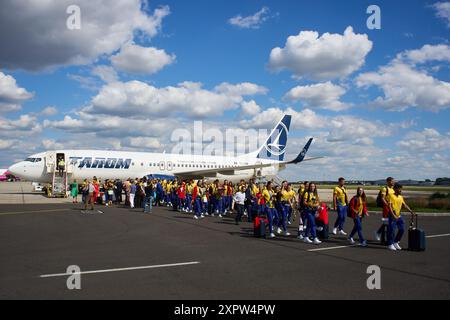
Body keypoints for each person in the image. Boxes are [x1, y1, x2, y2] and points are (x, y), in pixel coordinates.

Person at [387, 184, 415, 251]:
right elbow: (389, 206)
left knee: (402, 229)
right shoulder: (391, 196)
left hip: (399, 216)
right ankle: (390, 244)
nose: (401, 190)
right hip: (392, 215)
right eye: (399, 189)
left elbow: (404, 205)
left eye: (401, 189)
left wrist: (411, 211)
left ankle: (396, 242)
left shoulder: (400, 197)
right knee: (392, 231)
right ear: (395, 189)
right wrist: (393, 215)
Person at [375, 177, 396, 242]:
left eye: (393, 181)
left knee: (392, 222)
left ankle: (389, 237)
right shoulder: (385, 189)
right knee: (386, 222)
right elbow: (382, 198)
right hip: (386, 207)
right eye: (392, 181)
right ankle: (378, 232)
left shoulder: (393, 189)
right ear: (388, 182)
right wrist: (387, 205)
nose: (393, 182)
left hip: (393, 207)